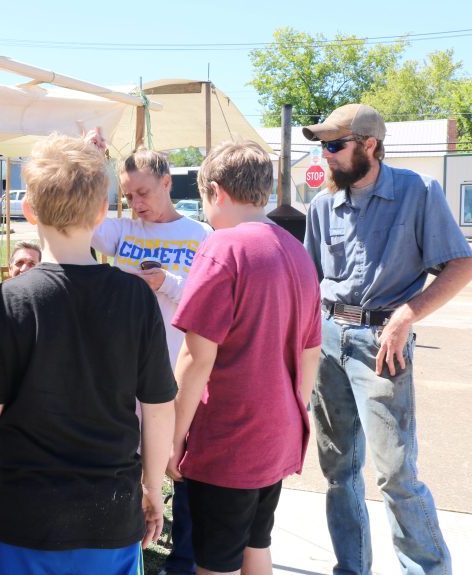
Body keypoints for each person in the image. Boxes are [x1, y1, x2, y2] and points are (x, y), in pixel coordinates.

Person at [0, 134, 176, 575]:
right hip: (110, 511)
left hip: (25, 515)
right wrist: (152, 489)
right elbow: (158, 408)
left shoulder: (10, 300)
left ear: (29, 212)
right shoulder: (136, 297)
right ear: (102, 213)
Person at [302, 103, 472, 575]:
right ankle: (350, 569)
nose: (326, 156)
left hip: (380, 344)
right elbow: (309, 279)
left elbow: (461, 264)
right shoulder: (321, 205)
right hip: (327, 341)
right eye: (321, 147)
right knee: (338, 473)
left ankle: (427, 570)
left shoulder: (419, 192)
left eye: (335, 145)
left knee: (396, 473)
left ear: (370, 145)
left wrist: (407, 315)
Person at [168, 140, 322, 575]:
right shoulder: (296, 250)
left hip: (229, 437)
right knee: (257, 545)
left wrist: (174, 437)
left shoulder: (222, 248)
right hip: (278, 431)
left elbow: (196, 358)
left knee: (215, 562)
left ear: (216, 191)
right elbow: (311, 352)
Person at [91, 147, 211, 575]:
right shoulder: (121, 230)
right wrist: (93, 159)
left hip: (180, 367)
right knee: (128, 459)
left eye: (143, 192)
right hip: (122, 370)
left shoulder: (200, 235)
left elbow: (209, 302)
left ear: (166, 183)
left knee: (182, 466)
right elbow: (76, 215)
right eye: (128, 195)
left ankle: (183, 560)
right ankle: (127, 544)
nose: (136, 203)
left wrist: (167, 282)